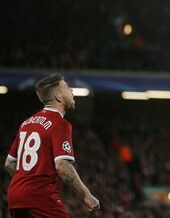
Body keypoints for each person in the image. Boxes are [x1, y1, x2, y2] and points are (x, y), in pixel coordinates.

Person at [4, 74, 100, 218]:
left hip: (15, 195)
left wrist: (25, 184)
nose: (72, 91)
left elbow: (9, 163)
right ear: (59, 97)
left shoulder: (26, 123)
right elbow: (62, 166)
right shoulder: (60, 124)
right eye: (67, 88)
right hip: (39, 196)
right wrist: (87, 195)